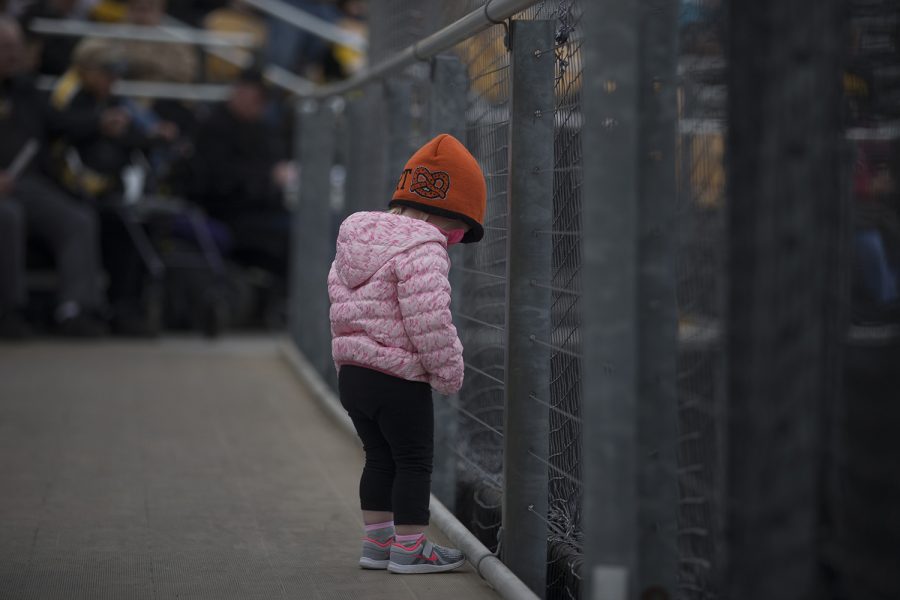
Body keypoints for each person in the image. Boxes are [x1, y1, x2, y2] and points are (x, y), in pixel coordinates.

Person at [328, 134, 486, 573]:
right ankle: (411, 548)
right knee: (414, 462)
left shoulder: (355, 240)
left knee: (378, 458)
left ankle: (377, 546)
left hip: (354, 373)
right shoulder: (423, 248)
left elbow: (340, 305)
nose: (454, 242)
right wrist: (449, 371)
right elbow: (429, 318)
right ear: (447, 215)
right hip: (397, 377)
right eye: (459, 233)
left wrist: (348, 359)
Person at [0, 16, 106, 339]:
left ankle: (74, 310)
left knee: (78, 219)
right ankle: (9, 312)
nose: (13, 54)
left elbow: (59, 123)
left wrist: (101, 123)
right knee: (8, 218)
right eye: (5, 47)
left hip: (27, 184)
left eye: (17, 47)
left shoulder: (25, 89)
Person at [188, 68, 294, 281]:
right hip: (229, 213)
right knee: (298, 235)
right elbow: (216, 182)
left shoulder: (261, 130)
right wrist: (269, 178)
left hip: (262, 210)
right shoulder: (213, 128)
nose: (258, 105)